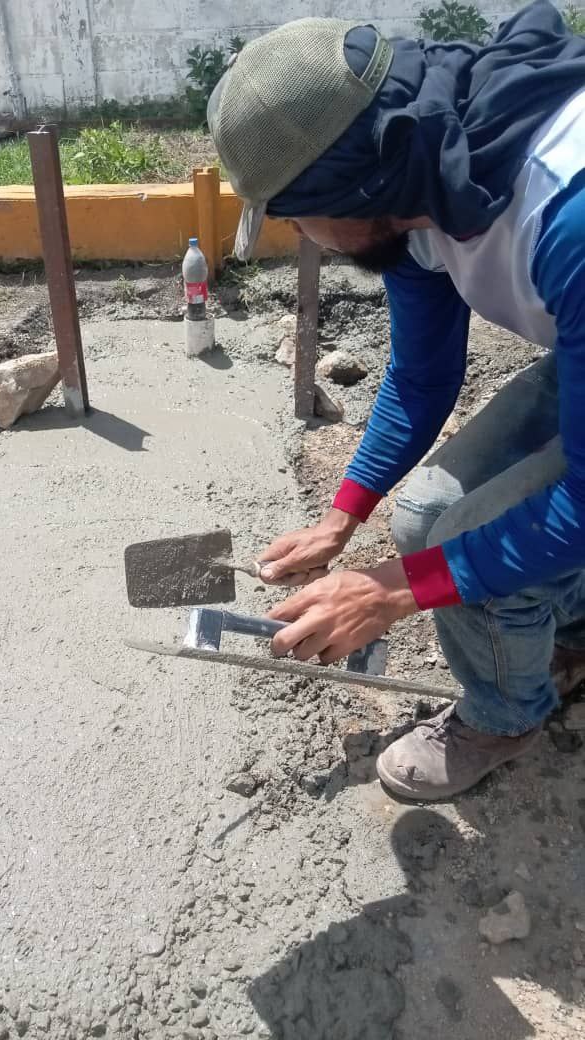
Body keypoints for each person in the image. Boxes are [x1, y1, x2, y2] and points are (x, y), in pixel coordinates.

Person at [207, 0, 585, 800]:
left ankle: (505, 716)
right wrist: (342, 518)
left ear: (352, 186)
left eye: (297, 218)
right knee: (422, 519)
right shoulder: (422, 177)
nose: (301, 237)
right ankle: (574, 632)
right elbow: (420, 377)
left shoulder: (565, 217)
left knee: (455, 545)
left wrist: (389, 592)